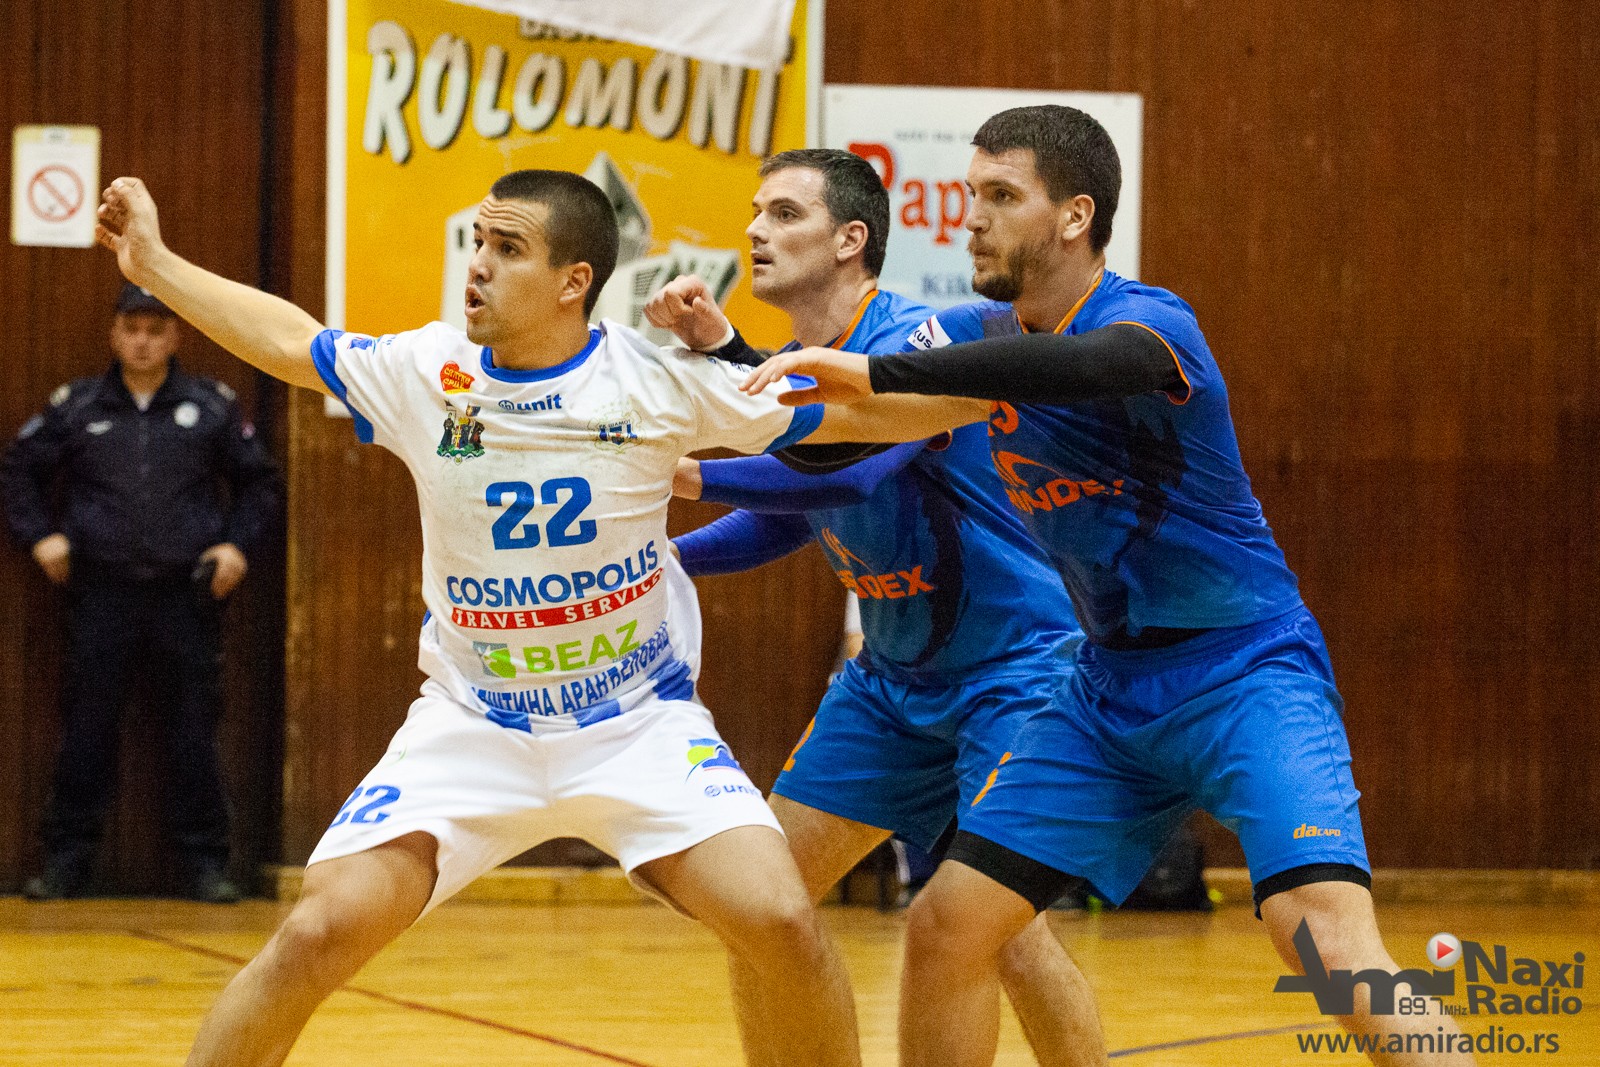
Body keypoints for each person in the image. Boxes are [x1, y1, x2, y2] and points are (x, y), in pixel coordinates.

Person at [90, 168, 901, 1067]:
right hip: (473, 726)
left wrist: (993, 391)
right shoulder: (426, 371)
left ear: (573, 281)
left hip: (636, 725)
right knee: (317, 929)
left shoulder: (654, 379)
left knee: (783, 918)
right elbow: (290, 338)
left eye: (507, 248)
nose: (477, 264)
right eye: (477, 242)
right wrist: (155, 264)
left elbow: (860, 424)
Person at [743, 106, 1475, 1066]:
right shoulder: (980, 345)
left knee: (1321, 934)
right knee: (950, 923)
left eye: (1001, 196)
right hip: (1105, 694)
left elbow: (1083, 365)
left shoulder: (1151, 323)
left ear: (1075, 215)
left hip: (1243, 672)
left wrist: (874, 368)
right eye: (970, 194)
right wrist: (691, 433)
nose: (972, 218)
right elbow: (844, 440)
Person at [647, 147, 1106, 1067]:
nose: (755, 231)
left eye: (784, 214)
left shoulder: (918, 341)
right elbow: (790, 513)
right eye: (755, 212)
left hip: (1017, 669)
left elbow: (850, 468)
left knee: (1001, 932)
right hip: (892, 685)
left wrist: (690, 473)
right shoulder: (792, 370)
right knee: (761, 904)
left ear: (850, 239)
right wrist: (660, 566)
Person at [0, 282, 281, 903]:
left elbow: (260, 483)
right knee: (87, 729)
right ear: (115, 334)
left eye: (156, 330)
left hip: (186, 595)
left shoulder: (210, 406)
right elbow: (19, 470)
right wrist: (39, 536)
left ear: (174, 336)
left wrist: (237, 547)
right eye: (132, 329)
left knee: (192, 731)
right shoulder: (78, 405)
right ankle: (66, 861)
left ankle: (206, 865)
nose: (143, 341)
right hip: (100, 591)